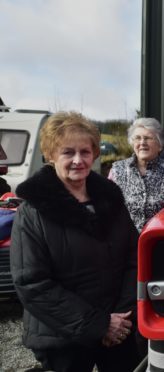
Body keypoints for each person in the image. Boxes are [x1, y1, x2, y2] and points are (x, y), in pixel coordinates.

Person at [10, 112, 141, 371]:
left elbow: (134, 257)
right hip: (63, 337)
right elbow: (32, 282)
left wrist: (120, 319)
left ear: (94, 153)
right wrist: (99, 324)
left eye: (85, 151)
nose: (78, 160)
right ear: (50, 155)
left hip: (119, 328)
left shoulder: (110, 199)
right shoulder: (34, 211)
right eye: (68, 153)